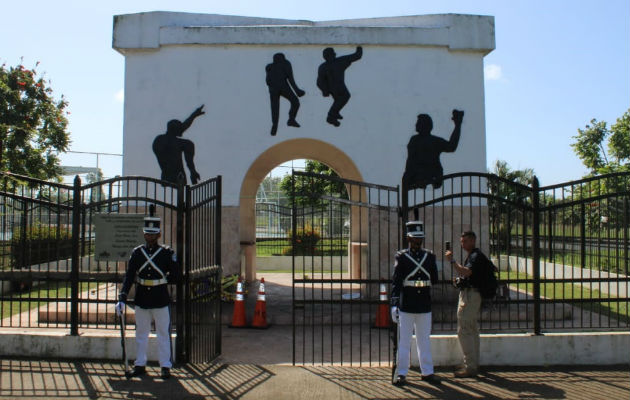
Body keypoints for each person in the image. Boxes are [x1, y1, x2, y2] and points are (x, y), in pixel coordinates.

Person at [115, 215, 179, 379]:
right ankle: (140, 363)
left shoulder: (166, 253)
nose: (150, 237)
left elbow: (176, 274)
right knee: (141, 333)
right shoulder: (137, 253)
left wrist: (165, 279)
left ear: (158, 235)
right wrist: (122, 296)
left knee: (163, 333)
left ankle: (165, 365)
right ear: (144, 235)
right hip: (142, 297)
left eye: (153, 234)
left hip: (160, 297)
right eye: (147, 234)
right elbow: (130, 276)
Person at [390, 221, 441, 386]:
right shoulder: (402, 256)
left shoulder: (430, 256)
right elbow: (397, 282)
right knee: (404, 341)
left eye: (420, 239)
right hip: (408, 303)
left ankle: (427, 372)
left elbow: (434, 279)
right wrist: (394, 303)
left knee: (424, 340)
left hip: (424, 302)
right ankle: (402, 373)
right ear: (408, 239)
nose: (418, 243)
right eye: (414, 239)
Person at [445, 230, 487, 378]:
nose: (462, 244)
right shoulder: (474, 255)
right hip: (471, 294)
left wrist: (452, 260)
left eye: (464, 241)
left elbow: (466, 272)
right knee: (472, 330)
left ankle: (470, 367)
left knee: (464, 330)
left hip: (470, 297)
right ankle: (473, 364)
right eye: (461, 241)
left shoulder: (476, 256)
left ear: (472, 241)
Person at [402, 109, 464, 189]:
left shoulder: (427, 141)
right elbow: (411, 161)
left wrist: (457, 125)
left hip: (430, 174)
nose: (416, 125)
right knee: (407, 178)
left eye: (418, 123)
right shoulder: (416, 140)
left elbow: (451, 147)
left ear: (424, 125)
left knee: (408, 177)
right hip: (422, 174)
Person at [152, 105, 205, 184]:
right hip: (174, 175)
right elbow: (182, 129)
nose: (182, 131)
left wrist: (194, 115)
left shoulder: (161, 139)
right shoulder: (168, 141)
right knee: (188, 144)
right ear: (175, 130)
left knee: (188, 144)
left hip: (170, 175)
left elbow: (182, 127)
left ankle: (191, 173)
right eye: (179, 129)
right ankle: (191, 173)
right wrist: (192, 171)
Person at [316, 46, 363, 127]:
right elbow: (320, 81)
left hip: (332, 88)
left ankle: (334, 114)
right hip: (338, 86)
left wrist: (325, 90)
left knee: (338, 100)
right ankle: (331, 115)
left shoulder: (323, 66)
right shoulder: (338, 62)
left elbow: (319, 81)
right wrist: (359, 48)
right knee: (345, 96)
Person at [265, 53, 306, 136]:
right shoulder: (284, 64)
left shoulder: (270, 66)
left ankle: (286, 121)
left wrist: (297, 90)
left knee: (276, 107)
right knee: (293, 102)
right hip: (280, 87)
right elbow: (290, 78)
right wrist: (297, 90)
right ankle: (282, 123)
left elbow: (268, 81)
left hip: (275, 88)